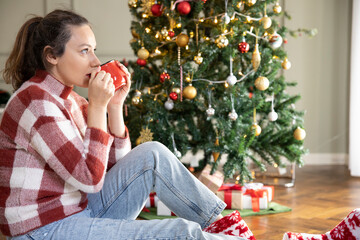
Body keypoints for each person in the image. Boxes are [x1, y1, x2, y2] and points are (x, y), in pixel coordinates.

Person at [0, 9, 247, 240]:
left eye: (94, 50)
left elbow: (114, 168)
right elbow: (90, 179)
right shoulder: (35, 102)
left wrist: (114, 107)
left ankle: (222, 226)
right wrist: (96, 106)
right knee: (180, 232)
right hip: (42, 231)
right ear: (52, 55)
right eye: (84, 51)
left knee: (153, 154)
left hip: (78, 211)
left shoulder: (71, 99)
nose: (96, 61)